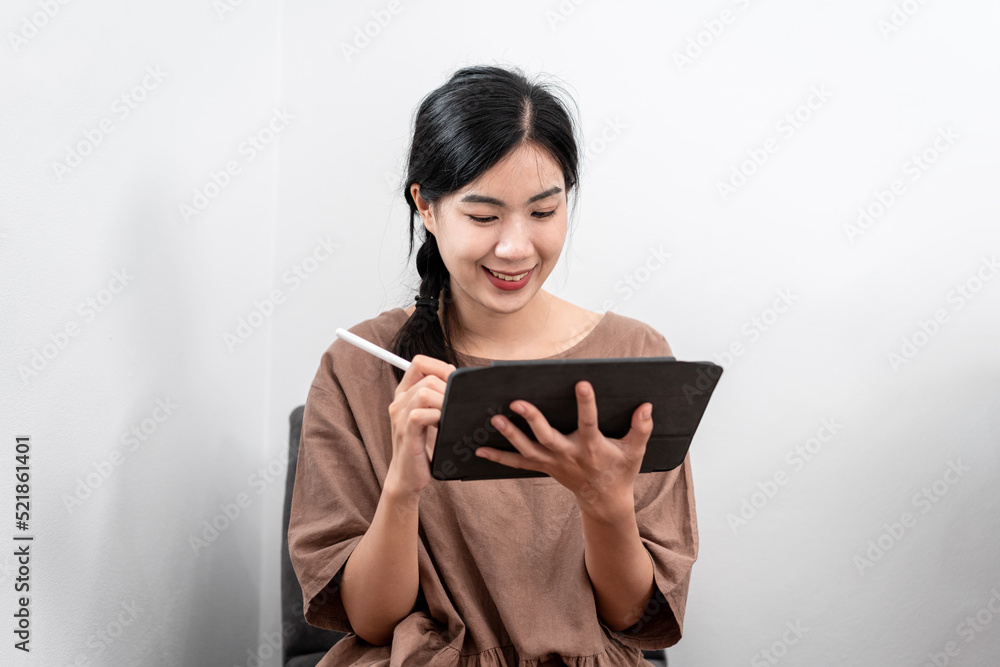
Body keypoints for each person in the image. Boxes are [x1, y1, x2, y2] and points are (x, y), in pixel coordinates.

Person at [288, 64, 697, 666]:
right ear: (426, 207)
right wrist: (402, 487)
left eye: (543, 212)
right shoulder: (358, 367)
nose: (515, 247)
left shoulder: (636, 357)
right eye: (483, 217)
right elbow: (370, 621)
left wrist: (604, 502)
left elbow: (634, 618)